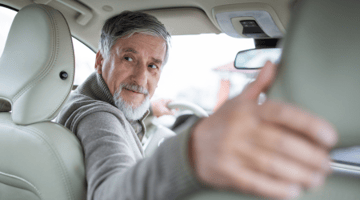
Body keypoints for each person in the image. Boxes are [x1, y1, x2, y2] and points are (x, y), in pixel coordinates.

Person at [57, 10, 338, 200]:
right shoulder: (99, 117)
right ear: (99, 61)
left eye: (153, 65)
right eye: (128, 58)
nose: (141, 78)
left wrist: (151, 109)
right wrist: (190, 153)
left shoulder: (79, 102)